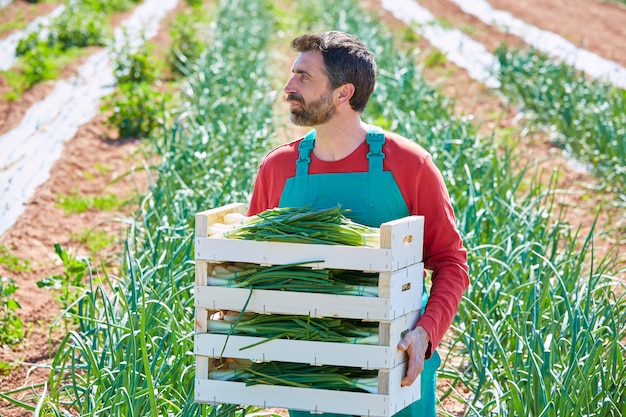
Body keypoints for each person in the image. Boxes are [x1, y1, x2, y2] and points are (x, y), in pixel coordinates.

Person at [247, 31, 469, 417]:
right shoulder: (278, 168)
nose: (288, 87)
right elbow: (251, 264)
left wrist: (425, 334)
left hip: (396, 364)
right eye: (292, 75)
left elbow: (451, 263)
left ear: (343, 93)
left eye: (304, 77)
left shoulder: (408, 165)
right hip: (311, 368)